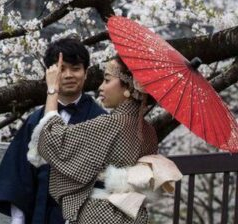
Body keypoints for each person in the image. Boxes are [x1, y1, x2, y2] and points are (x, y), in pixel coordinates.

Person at [0, 37, 106, 224]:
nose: (68, 75)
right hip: (39, 215)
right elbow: (19, 176)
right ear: (50, 73)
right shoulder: (35, 121)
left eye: (75, 69)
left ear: (86, 74)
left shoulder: (100, 120)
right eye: (61, 69)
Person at [28, 55, 159, 223]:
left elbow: (53, 139)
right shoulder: (148, 131)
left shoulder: (111, 124)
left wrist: (53, 90)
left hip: (101, 214)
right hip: (134, 215)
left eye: (107, 80)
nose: (100, 87)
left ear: (128, 87)